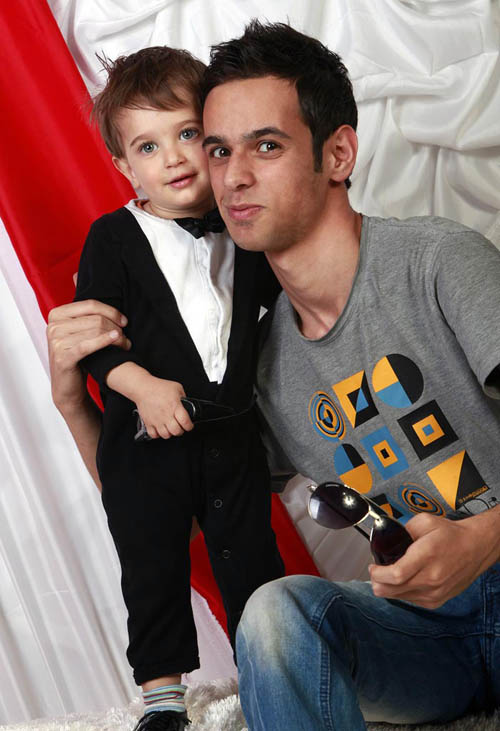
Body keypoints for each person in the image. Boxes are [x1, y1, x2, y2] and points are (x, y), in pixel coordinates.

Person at [47, 20, 500, 731]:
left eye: (265, 145)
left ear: (338, 153)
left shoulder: (438, 264)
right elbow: (167, 511)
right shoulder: (258, 366)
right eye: (218, 148)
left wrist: (485, 537)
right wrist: (75, 405)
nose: (231, 175)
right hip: (426, 636)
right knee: (273, 610)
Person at [66, 46, 284, 731]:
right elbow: (95, 340)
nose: (174, 157)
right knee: (151, 561)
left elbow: (281, 308)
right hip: (146, 441)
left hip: (231, 431)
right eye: (148, 146)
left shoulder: (245, 227)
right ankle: (162, 697)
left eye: (188, 133)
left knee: (252, 557)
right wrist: (142, 388)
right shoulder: (113, 238)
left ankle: (271, 672)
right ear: (125, 168)